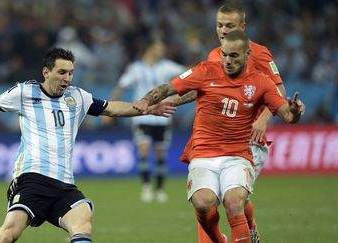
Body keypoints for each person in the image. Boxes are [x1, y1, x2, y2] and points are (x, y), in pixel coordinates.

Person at [0, 48, 176, 243]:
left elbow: (111, 108)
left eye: (71, 73)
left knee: (83, 221)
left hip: (64, 183)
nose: (67, 78)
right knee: (8, 235)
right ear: (47, 72)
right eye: (62, 72)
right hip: (31, 177)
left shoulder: (78, 97)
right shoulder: (25, 92)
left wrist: (147, 108)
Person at [133, 30, 305, 243]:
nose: (227, 60)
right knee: (203, 203)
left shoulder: (261, 82)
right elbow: (168, 88)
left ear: (247, 54)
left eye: (234, 56)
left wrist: (295, 111)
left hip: (238, 156)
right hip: (204, 155)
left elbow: (287, 115)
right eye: (224, 55)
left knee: (234, 202)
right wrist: (145, 100)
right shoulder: (205, 70)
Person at [167, 3, 287, 242]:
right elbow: (200, 90)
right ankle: (244, 230)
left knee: (233, 200)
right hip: (214, 139)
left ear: (243, 27)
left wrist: (263, 120)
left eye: (229, 25)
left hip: (248, 139)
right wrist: (170, 102)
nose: (223, 30)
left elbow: (279, 91)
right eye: (219, 25)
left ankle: (247, 227)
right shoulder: (215, 54)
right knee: (206, 200)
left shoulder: (259, 53)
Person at [104, 36, 185, 203]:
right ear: (151, 49)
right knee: (144, 149)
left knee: (161, 153)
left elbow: (187, 71)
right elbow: (121, 85)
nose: (162, 50)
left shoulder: (167, 66)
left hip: (162, 117)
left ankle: (160, 189)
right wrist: (109, 110)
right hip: (142, 116)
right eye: (159, 47)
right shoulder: (136, 68)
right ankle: (147, 186)